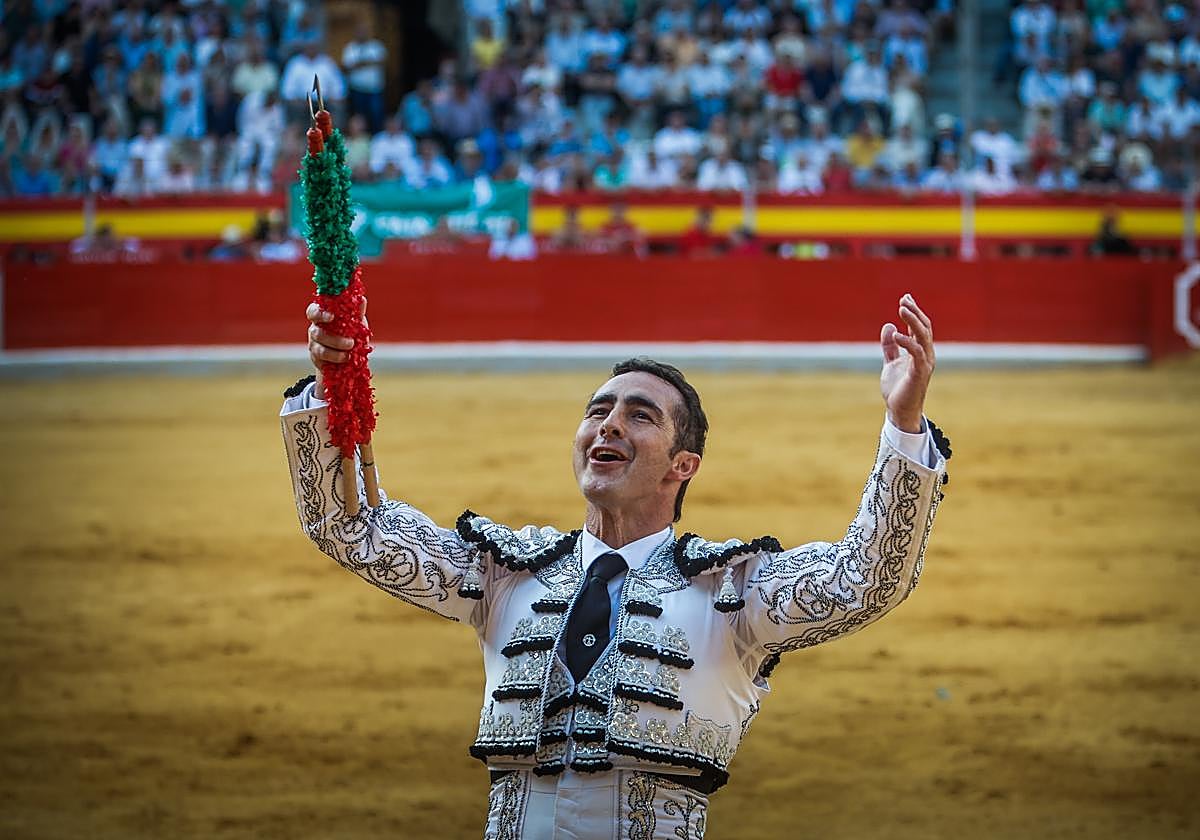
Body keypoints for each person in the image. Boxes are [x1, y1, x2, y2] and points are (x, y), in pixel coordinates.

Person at [280, 294, 949, 838]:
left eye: (639, 415)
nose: (608, 426)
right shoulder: (506, 574)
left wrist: (904, 421)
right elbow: (350, 527)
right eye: (598, 411)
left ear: (682, 466)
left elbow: (866, 577)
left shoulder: (732, 595)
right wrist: (336, 384)